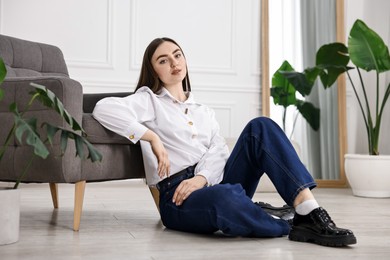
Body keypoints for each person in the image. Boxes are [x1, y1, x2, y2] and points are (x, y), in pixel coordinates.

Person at [92, 37, 356, 247]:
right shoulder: (148, 100)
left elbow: (219, 149)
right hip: (177, 197)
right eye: (163, 60)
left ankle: (308, 210)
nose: (173, 62)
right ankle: (283, 223)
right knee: (226, 198)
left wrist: (202, 178)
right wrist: (151, 137)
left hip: (211, 181)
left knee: (260, 127)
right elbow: (103, 109)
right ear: (154, 70)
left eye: (177, 55)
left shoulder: (203, 111)